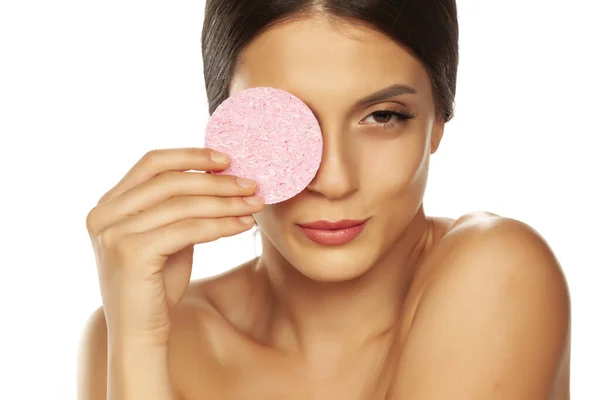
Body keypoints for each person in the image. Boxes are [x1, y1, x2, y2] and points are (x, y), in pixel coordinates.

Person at [77, 1, 571, 399]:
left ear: (438, 121)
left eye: (383, 116)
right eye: (282, 124)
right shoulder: (135, 333)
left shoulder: (499, 271)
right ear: (223, 127)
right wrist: (138, 345)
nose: (333, 180)